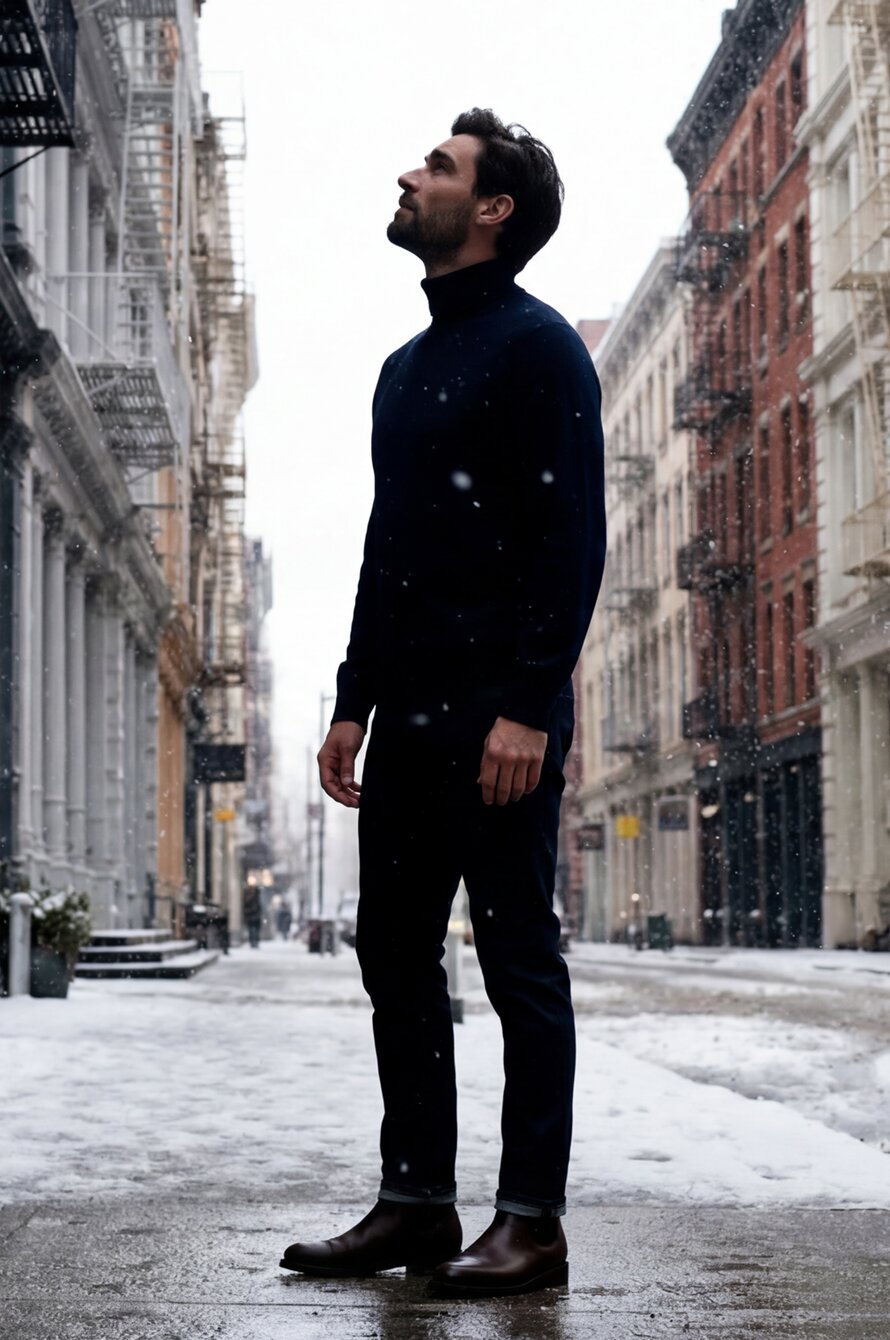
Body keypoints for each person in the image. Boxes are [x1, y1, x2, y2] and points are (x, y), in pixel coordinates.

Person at [280, 108, 605, 1298]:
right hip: (407, 718)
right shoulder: (402, 371)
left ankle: (531, 1222)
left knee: (519, 961)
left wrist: (527, 706)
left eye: (438, 167)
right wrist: (351, 699)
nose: (410, 176)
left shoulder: (539, 348)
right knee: (394, 952)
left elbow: (572, 540)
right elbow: (388, 548)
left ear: (492, 209)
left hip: (497, 725)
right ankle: (417, 1199)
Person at [242, 881, 262, 949]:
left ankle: (255, 942)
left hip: (255, 916)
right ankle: (252, 942)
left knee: (255, 930)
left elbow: (259, 906)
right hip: (250, 915)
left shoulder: (256, 895)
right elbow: (246, 904)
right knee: (251, 930)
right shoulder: (247, 895)